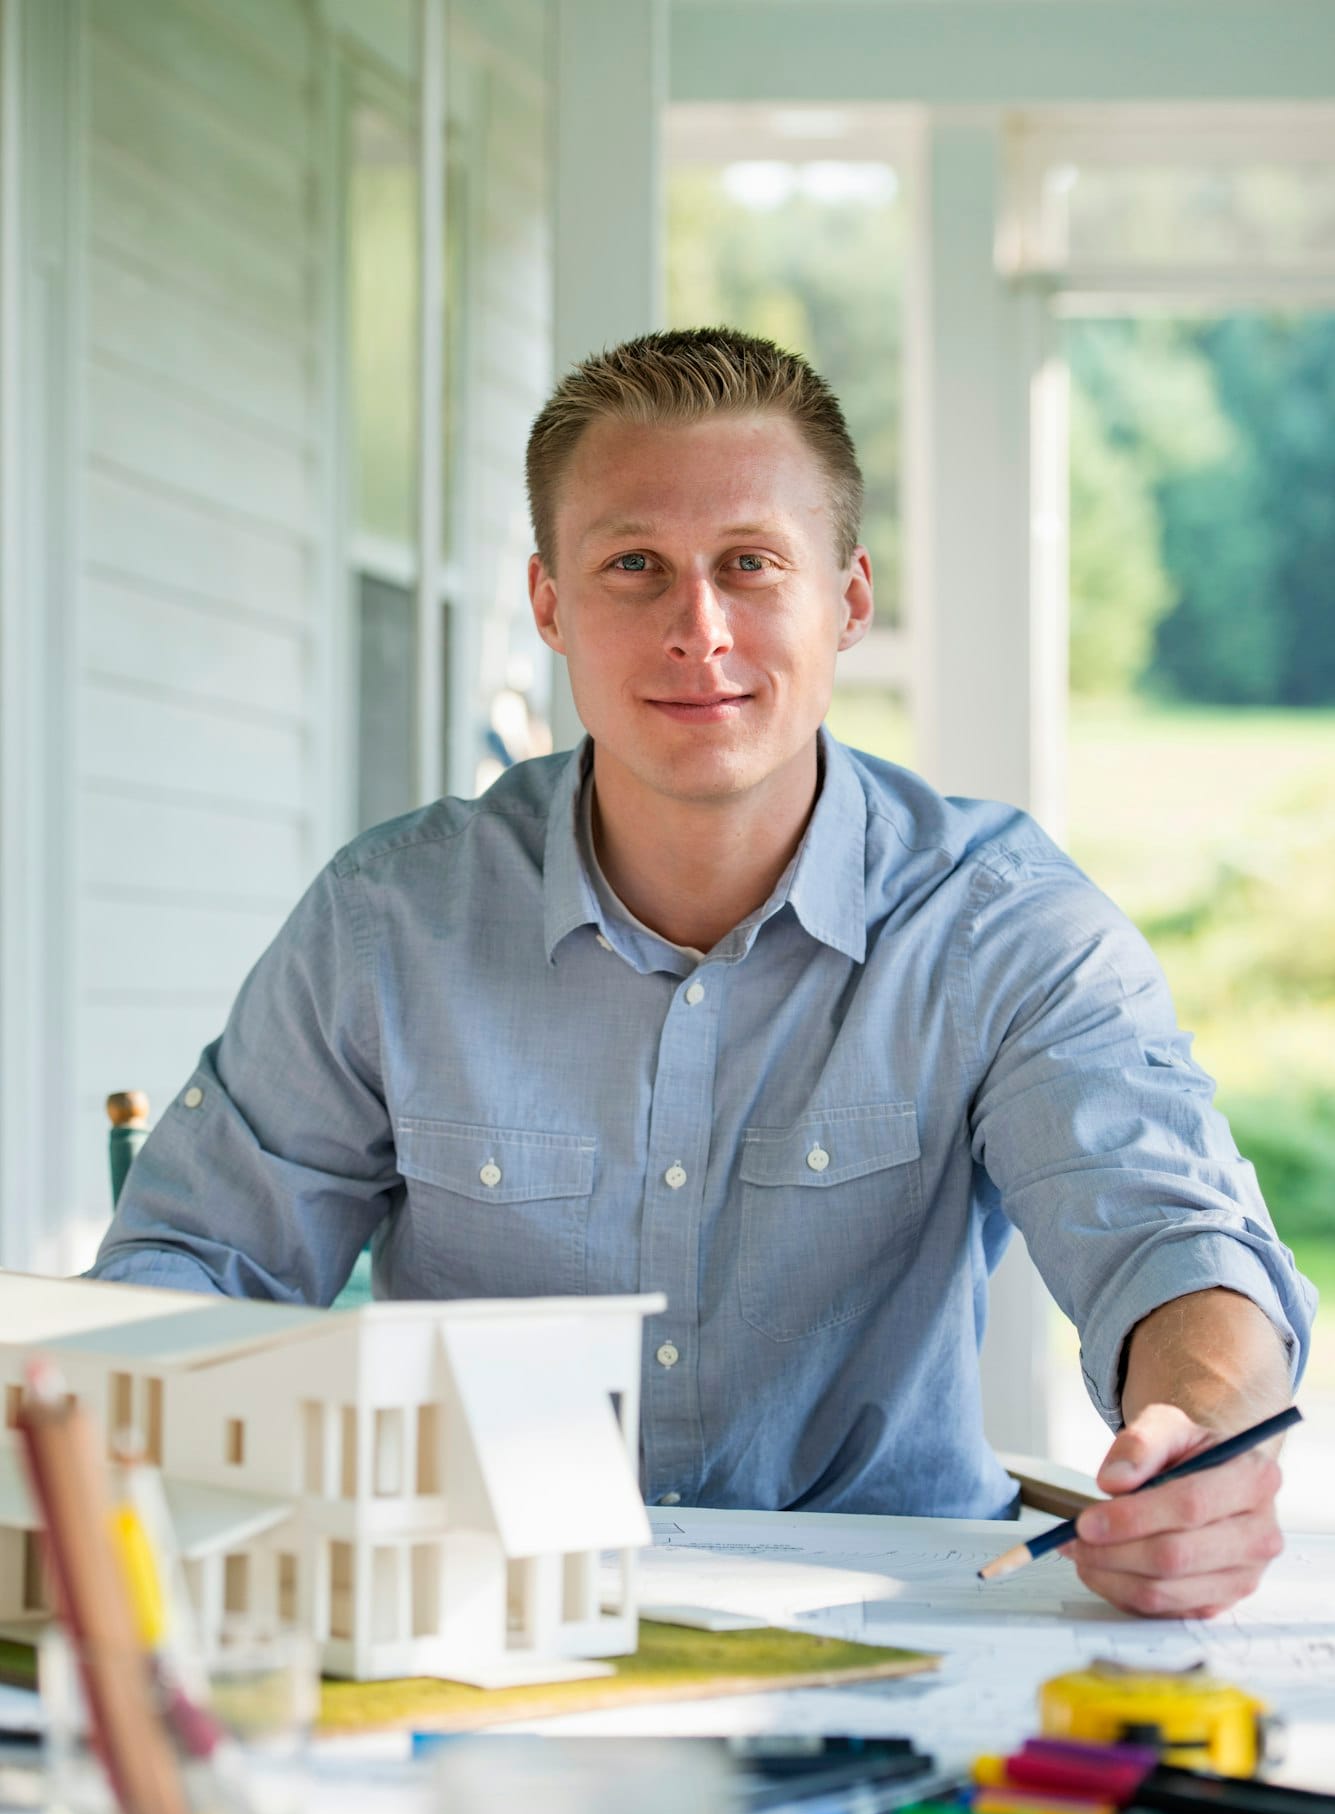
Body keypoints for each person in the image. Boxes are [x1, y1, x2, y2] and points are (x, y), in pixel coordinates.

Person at [91, 328, 1315, 1618]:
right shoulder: (388, 921)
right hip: (477, 1619)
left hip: (896, 1622)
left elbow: (1173, 1243)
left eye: (750, 563)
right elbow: (195, 1269)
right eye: (635, 567)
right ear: (550, 604)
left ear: (846, 598)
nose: (700, 630)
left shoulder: (1000, 925)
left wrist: (1201, 1433)